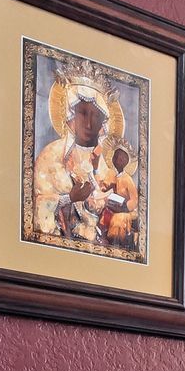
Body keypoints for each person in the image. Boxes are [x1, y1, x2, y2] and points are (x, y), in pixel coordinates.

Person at [31, 73, 129, 247]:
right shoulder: (51, 155)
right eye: (83, 114)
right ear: (71, 117)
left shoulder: (106, 164)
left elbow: (111, 201)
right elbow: (39, 206)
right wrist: (70, 197)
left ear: (103, 123)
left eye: (96, 116)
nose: (89, 124)